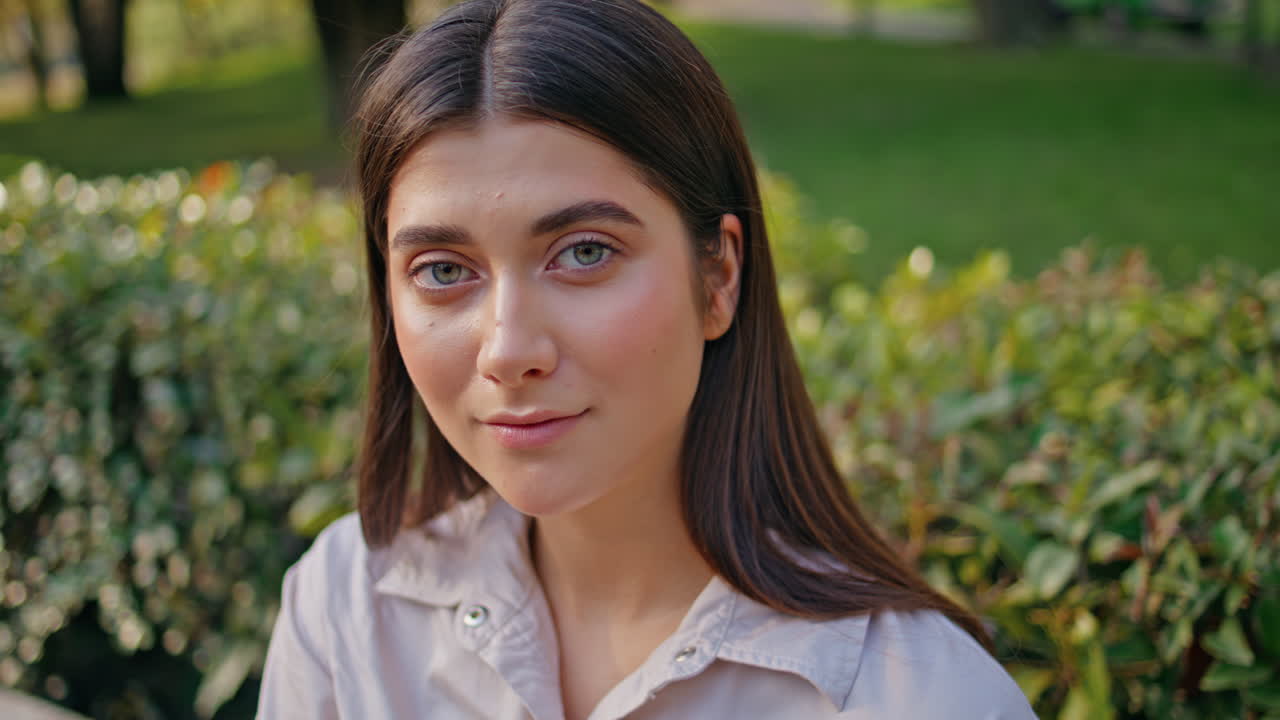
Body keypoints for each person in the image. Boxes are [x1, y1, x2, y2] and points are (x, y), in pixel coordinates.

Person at [256, 1, 1036, 718]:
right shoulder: (348, 616)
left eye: (584, 252)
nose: (509, 350)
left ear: (719, 276)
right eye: (443, 271)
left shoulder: (920, 697)